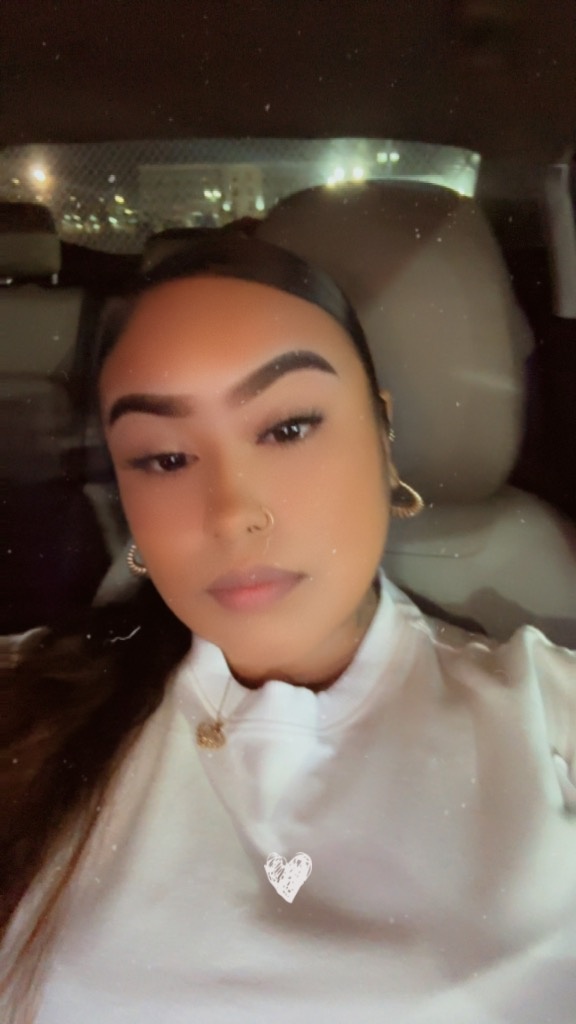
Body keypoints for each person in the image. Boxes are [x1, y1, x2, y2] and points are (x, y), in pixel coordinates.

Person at [1, 231, 575, 1024]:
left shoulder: (550, 725)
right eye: (163, 458)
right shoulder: (26, 709)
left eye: (288, 428)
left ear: (382, 437)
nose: (232, 514)